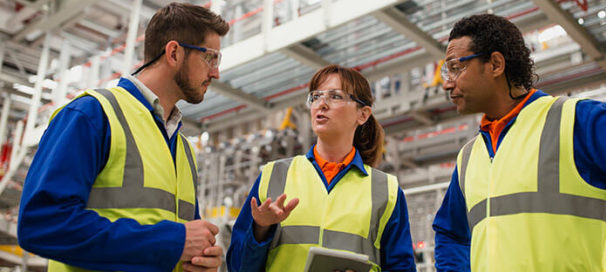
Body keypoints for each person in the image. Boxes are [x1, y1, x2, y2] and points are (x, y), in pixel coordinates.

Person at [432, 14, 606, 271]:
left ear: (495, 64)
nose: (446, 83)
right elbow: (451, 234)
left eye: (456, 67)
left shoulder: (578, 122)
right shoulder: (469, 156)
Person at [18, 3, 229, 272]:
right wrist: (172, 241)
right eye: (211, 58)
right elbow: (41, 223)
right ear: (174, 52)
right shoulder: (92, 115)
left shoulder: (184, 149)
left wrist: (200, 259)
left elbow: (184, 242)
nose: (216, 73)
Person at [226, 65, 417, 272]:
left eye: (335, 96)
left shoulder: (385, 190)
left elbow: (402, 268)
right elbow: (237, 267)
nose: (321, 104)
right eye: (316, 96)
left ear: (362, 114)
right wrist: (260, 229)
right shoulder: (273, 176)